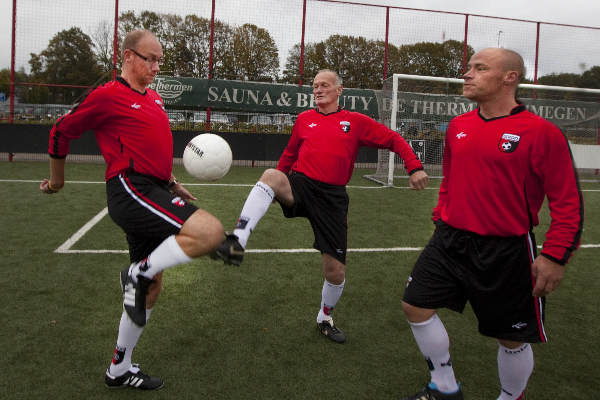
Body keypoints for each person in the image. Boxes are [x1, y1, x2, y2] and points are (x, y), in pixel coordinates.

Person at [40, 30, 224, 390]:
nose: (156, 66)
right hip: (130, 188)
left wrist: (171, 183)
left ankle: (119, 369)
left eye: (159, 60)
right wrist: (58, 181)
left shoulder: (154, 99)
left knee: (150, 287)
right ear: (127, 56)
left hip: (154, 187)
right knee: (210, 233)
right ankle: (136, 272)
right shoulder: (109, 95)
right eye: (149, 58)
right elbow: (61, 131)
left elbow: (148, 148)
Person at [399, 48, 583, 400]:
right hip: (450, 239)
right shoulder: (459, 126)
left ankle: (511, 397)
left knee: (510, 337)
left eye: (480, 68)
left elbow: (568, 202)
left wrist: (556, 256)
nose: (467, 74)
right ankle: (445, 387)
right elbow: (451, 179)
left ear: (509, 77)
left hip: (505, 248)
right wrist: (441, 213)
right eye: (469, 67)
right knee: (415, 304)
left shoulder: (541, 133)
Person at [211, 69, 429, 343]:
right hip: (301, 185)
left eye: (324, 85)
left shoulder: (355, 122)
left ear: (339, 90)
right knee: (270, 175)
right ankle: (238, 238)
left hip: (332, 198)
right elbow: (289, 155)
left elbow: (394, 139)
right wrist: (276, 188)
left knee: (335, 272)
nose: (318, 90)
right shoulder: (304, 120)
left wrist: (414, 167)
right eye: (315, 86)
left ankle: (325, 317)